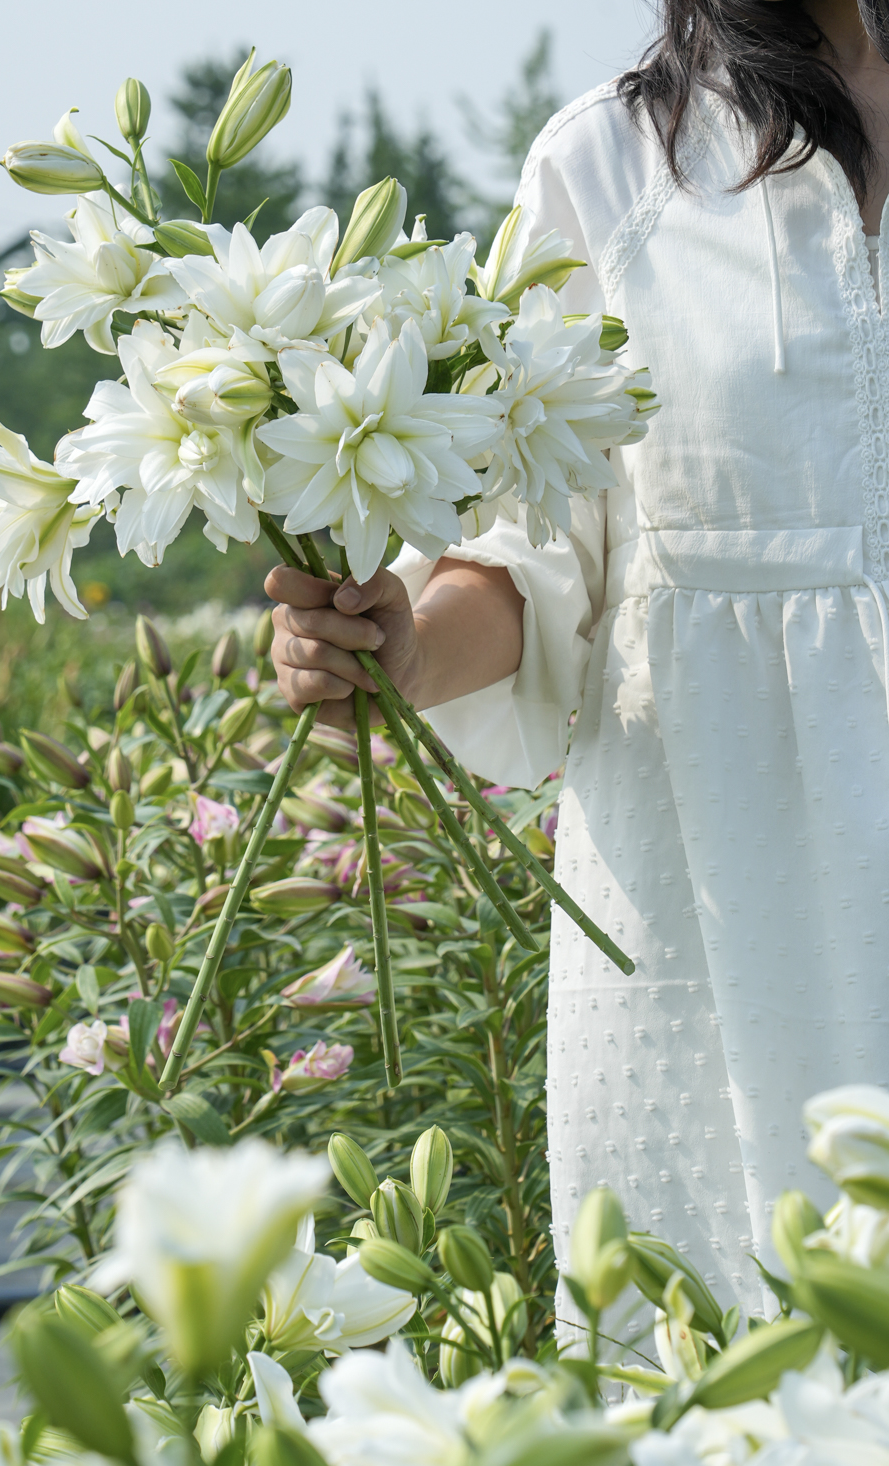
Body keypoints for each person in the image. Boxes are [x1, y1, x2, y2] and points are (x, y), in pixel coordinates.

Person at [266, 0, 889, 1332]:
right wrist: (401, 648)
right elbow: (537, 556)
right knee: (741, 1372)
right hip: (722, 888)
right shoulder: (612, 167)